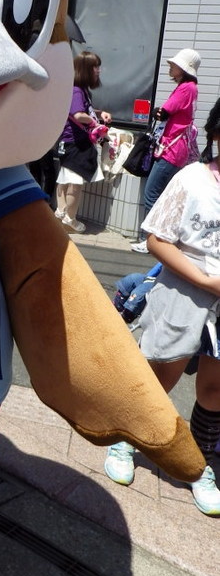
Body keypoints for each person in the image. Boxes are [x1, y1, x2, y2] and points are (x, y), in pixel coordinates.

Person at [104, 98, 220, 515]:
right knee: (159, 374)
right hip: (183, 293)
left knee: (215, 389)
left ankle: (199, 464)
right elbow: (156, 239)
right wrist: (205, 280)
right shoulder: (192, 179)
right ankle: (125, 439)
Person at [131, 48, 200, 253]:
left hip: (172, 150)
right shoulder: (190, 88)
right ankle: (158, 240)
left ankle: (150, 241)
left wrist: (157, 111)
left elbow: (165, 111)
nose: (170, 66)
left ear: (184, 68)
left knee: (152, 193)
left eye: (174, 64)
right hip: (175, 149)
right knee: (160, 194)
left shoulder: (186, 88)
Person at [55, 50, 112, 233]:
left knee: (65, 179)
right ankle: (69, 220)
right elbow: (78, 114)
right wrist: (94, 122)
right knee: (75, 183)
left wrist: (99, 113)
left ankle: (61, 213)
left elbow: (81, 110)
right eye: (95, 67)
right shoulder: (77, 90)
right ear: (85, 69)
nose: (98, 70)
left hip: (69, 142)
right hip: (76, 143)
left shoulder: (78, 89)